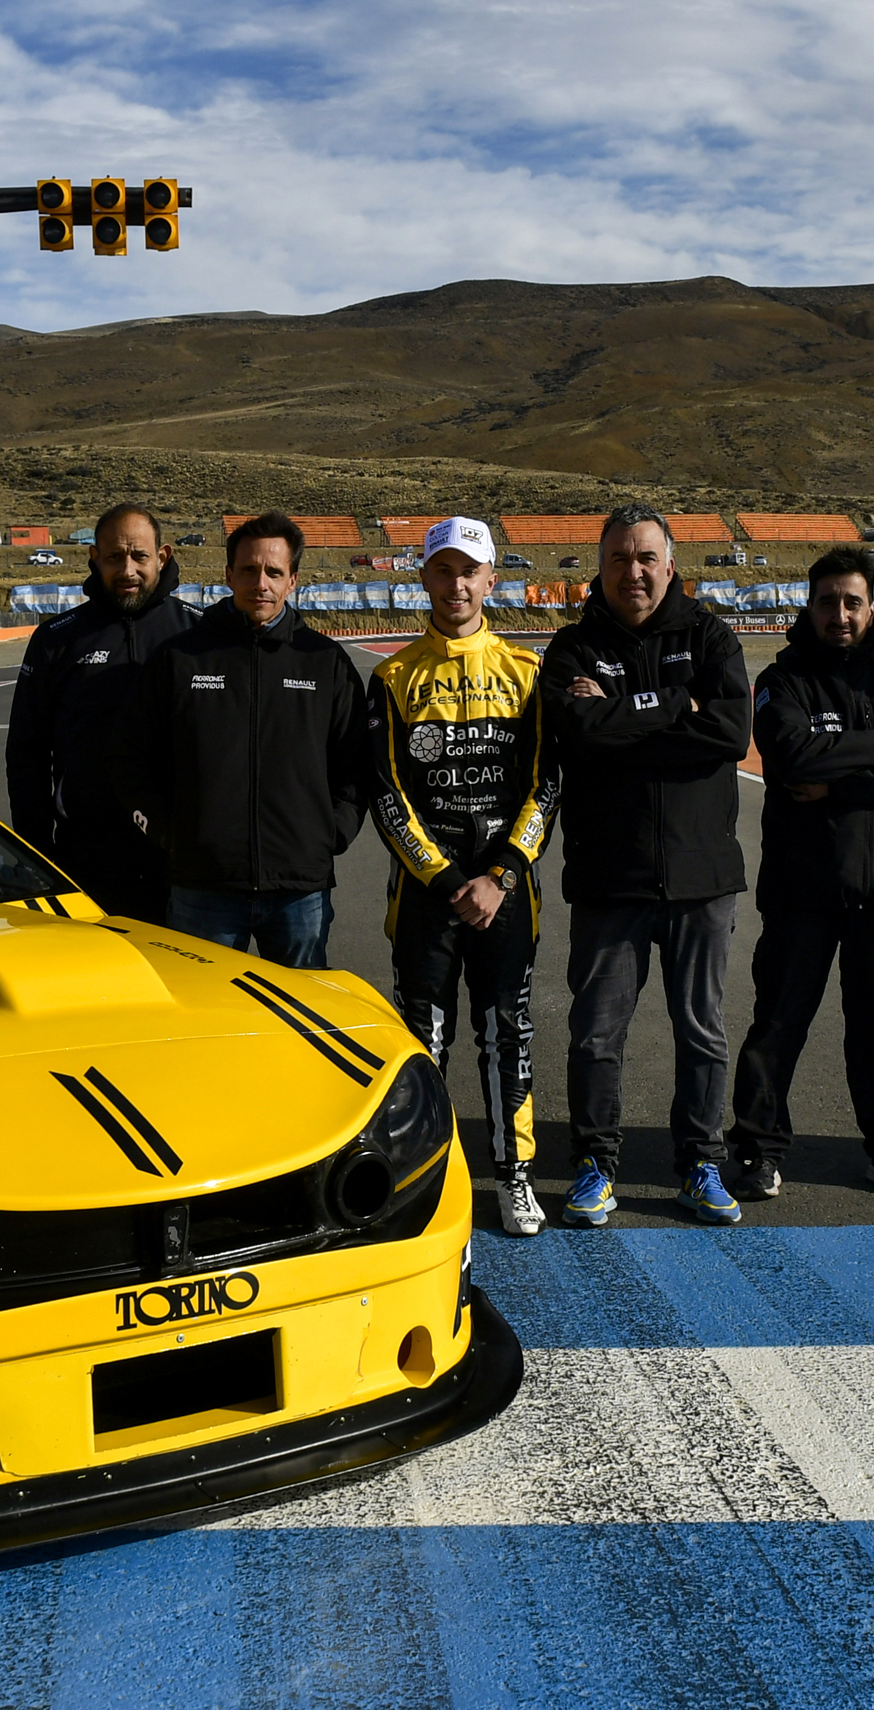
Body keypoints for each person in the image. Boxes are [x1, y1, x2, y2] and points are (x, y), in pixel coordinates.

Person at [541, 504, 754, 1228]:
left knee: (702, 1032)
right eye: (618, 559)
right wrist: (675, 705)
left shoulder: (710, 636)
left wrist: (624, 717)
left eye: (645, 559)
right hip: (610, 876)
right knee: (596, 1034)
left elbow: (729, 732)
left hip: (702, 878)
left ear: (670, 565)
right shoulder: (572, 647)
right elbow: (578, 731)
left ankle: (700, 1162)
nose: (632, 572)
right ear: (600, 568)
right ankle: (594, 1164)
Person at [726, 547, 874, 1201]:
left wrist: (840, 782)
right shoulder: (784, 680)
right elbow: (792, 757)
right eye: (828, 601)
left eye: (853, 602)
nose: (840, 614)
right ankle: (758, 1147)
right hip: (801, 889)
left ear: (872, 608)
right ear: (811, 606)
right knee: (778, 1024)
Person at [368, 516, 561, 1238]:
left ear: (491, 581)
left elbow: (546, 785)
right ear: (425, 578)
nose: (457, 585)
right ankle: (424, 1177)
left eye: (469, 571)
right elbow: (385, 793)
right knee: (423, 1041)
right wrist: (449, 879)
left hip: (506, 893)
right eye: (444, 570)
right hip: (428, 895)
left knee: (508, 1031)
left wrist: (501, 874)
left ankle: (513, 1175)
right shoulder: (394, 677)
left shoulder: (526, 673)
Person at [110, 512, 366, 968]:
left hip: (298, 889)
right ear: (229, 575)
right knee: (201, 1009)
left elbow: (357, 762)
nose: (260, 583)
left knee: (299, 1009)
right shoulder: (180, 658)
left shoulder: (324, 662)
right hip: (201, 886)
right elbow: (130, 758)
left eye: (274, 572)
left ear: (293, 580)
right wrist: (166, 832)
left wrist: (331, 834)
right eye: (249, 570)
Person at [8, 504, 200, 921]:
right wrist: (35, 851)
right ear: (95, 558)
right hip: (86, 862)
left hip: (186, 864)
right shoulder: (55, 640)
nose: (128, 570)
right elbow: (27, 755)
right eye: (114, 557)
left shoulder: (200, 635)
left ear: (163, 556)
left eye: (140, 556)